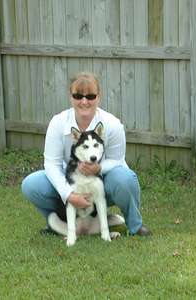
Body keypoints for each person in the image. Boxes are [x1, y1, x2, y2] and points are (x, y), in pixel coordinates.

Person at [21, 71, 151, 237]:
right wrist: (68, 195)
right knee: (31, 184)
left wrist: (98, 168)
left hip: (104, 182)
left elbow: (117, 160)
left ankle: (135, 225)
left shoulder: (112, 124)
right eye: (78, 96)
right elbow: (51, 164)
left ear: (98, 97)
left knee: (125, 179)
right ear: (71, 97)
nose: (84, 101)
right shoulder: (58, 123)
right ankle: (59, 225)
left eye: (90, 96)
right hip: (72, 181)